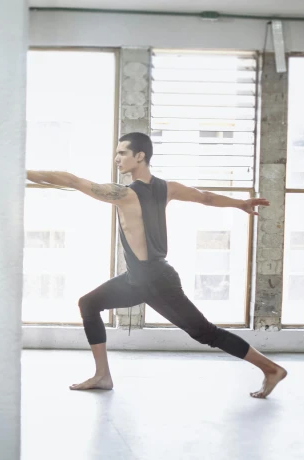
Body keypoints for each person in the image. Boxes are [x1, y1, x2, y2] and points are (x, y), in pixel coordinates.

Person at [26, 132, 287, 399]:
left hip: (155, 280)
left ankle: (271, 369)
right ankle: (102, 375)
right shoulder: (167, 188)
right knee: (89, 303)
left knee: (205, 333)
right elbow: (204, 197)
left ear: (140, 156)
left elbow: (71, 180)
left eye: (123, 153)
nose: (117, 159)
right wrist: (239, 203)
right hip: (136, 279)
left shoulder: (124, 194)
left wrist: (25, 172)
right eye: (116, 153)